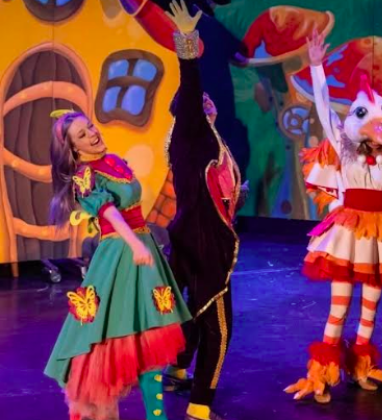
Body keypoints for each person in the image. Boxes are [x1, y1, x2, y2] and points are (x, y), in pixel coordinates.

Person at [284, 28, 382, 404]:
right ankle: (322, 372)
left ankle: (362, 365)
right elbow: (324, 109)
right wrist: (316, 67)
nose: (377, 127)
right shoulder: (345, 148)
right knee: (340, 304)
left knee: (371, 306)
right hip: (350, 233)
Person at [44, 109, 191, 420]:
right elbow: (109, 213)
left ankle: (157, 417)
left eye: (90, 127)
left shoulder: (113, 161)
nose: (92, 134)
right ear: (73, 149)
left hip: (143, 248)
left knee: (153, 340)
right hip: (120, 252)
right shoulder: (85, 176)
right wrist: (135, 243)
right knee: (113, 340)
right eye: (82, 135)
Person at [161, 2, 244, 420]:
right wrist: (187, 41)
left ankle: (177, 369)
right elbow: (191, 85)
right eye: (198, 100)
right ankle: (200, 405)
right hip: (205, 242)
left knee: (193, 310)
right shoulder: (191, 132)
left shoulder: (202, 141)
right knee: (219, 326)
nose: (206, 99)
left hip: (192, 234)